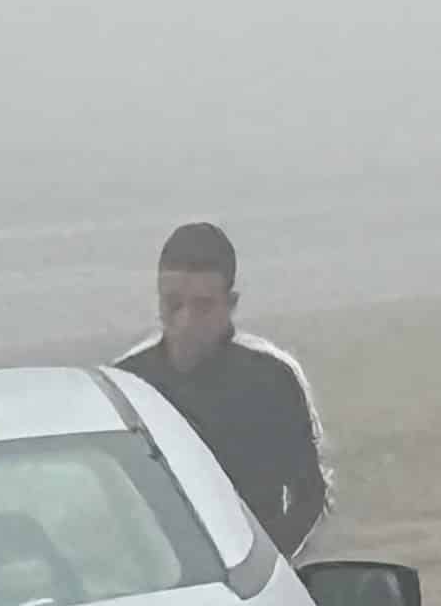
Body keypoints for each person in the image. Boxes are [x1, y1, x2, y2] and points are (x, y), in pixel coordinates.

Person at [114, 220, 333, 552]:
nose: (185, 321)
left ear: (230, 304)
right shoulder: (129, 385)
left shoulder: (271, 381)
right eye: (173, 304)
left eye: (203, 306)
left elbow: (309, 495)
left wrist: (271, 563)